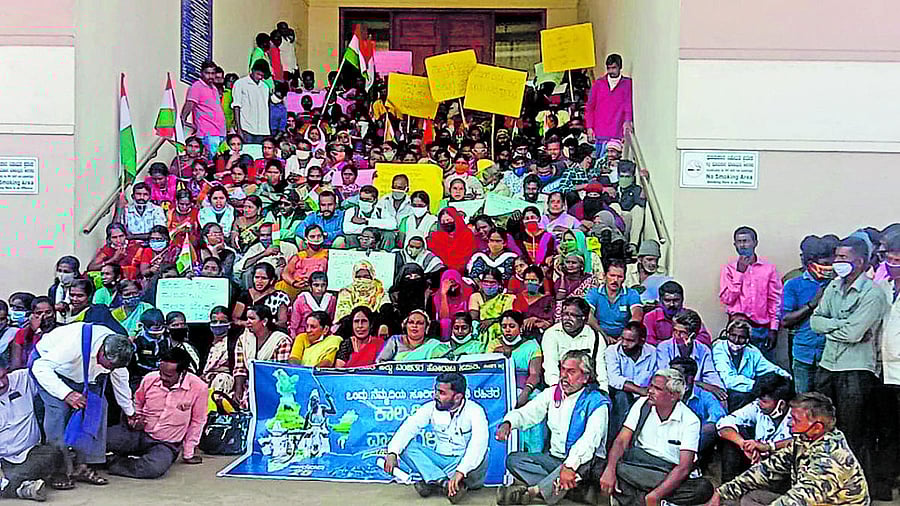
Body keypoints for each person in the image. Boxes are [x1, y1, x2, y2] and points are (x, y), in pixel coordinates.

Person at [810, 235, 888, 487]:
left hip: (856, 370)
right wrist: (842, 325)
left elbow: (855, 333)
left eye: (843, 258)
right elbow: (815, 321)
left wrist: (833, 327)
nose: (837, 262)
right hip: (828, 365)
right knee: (825, 428)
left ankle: (857, 488)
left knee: (853, 433)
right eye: (837, 257)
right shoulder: (833, 286)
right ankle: (828, 482)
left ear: (861, 261)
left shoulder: (873, 293)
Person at [709, 393, 869, 506]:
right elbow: (766, 469)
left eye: (796, 419)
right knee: (754, 498)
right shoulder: (804, 440)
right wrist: (722, 492)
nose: (789, 423)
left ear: (817, 427)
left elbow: (799, 499)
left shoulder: (832, 458)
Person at [496, 350, 609, 506]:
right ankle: (573, 491)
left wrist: (569, 466)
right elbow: (528, 413)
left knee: (581, 464)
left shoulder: (597, 402)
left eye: (571, 371)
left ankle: (534, 492)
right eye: (562, 369)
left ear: (585, 377)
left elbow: (589, 441)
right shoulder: (552, 393)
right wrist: (508, 423)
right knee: (514, 460)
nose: (564, 375)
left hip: (584, 463)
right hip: (555, 459)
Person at [31, 323, 135, 485]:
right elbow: (41, 368)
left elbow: (120, 381)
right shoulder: (74, 343)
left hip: (84, 376)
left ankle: (82, 466)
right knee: (58, 412)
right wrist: (67, 394)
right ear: (101, 351)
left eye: (114, 367)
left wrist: (130, 412)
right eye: (108, 365)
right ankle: (58, 470)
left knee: (98, 408)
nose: (110, 369)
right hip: (51, 371)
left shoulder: (117, 352)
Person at [599, 369, 714, 506]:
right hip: (637, 466)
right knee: (602, 467)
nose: (650, 391)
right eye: (651, 386)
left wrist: (656, 495)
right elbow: (621, 440)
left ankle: (637, 498)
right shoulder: (642, 404)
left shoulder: (690, 420)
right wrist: (610, 470)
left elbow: (683, 467)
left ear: (673, 395)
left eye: (657, 388)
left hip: (666, 472)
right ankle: (655, 501)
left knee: (703, 488)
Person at [383, 372, 488, 504]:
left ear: (457, 397)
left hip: (462, 464)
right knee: (406, 447)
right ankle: (443, 483)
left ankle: (434, 484)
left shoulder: (475, 411)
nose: (436, 396)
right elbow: (409, 427)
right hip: (439, 462)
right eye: (436, 391)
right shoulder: (430, 408)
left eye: (442, 393)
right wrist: (392, 452)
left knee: (483, 453)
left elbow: (478, 445)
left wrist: (460, 471)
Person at [106, 347, 207, 478]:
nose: (163, 378)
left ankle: (114, 462)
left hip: (165, 443)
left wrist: (188, 453)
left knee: (154, 468)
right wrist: (135, 419)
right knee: (101, 439)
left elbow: (197, 422)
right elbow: (137, 402)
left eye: (169, 376)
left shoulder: (199, 388)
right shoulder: (150, 379)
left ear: (182, 372)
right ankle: (114, 457)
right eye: (161, 373)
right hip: (138, 433)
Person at [0, 358, 69, 501]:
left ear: (6, 370)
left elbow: (49, 375)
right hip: (3, 461)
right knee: (11, 475)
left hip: (31, 454)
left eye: (2, 377)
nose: (1, 384)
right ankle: (23, 489)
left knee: (54, 453)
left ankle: (11, 486)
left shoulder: (22, 378)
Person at [716, 373, 794, 484]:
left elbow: (801, 441)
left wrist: (768, 447)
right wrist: (745, 445)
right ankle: (728, 484)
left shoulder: (798, 415)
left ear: (781, 404)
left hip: (781, 469)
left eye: (765, 401)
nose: (760, 404)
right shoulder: (757, 406)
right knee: (732, 438)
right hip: (756, 461)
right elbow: (723, 423)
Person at [780, 236, 835, 393]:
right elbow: (785, 320)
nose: (829, 268)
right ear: (811, 264)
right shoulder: (793, 284)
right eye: (824, 264)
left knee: (826, 402)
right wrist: (813, 303)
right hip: (803, 353)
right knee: (803, 400)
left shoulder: (837, 284)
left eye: (831, 264)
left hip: (829, 355)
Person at [719, 227, 783, 355]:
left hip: (762, 329)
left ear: (755, 243)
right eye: (739, 241)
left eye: (746, 241)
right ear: (735, 245)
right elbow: (727, 299)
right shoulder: (729, 269)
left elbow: (775, 300)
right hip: (737, 329)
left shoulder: (768, 269)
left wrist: (774, 329)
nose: (742, 245)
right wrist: (739, 273)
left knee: (763, 369)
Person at [711, 319, 791, 411]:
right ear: (727, 334)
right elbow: (728, 380)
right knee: (744, 397)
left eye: (741, 337)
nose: (736, 340)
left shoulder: (752, 351)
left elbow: (769, 367)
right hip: (725, 391)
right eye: (733, 336)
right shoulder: (719, 348)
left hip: (746, 389)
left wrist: (786, 377)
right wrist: (759, 386)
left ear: (748, 339)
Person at [655, 309, 725, 401]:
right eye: (675, 331)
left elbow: (711, 375)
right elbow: (668, 377)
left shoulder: (703, 350)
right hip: (670, 394)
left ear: (694, 335)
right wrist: (702, 384)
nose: (676, 335)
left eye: (682, 333)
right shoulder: (664, 347)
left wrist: (720, 391)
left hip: (696, 393)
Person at [541, 297, 608, 391]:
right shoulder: (551, 334)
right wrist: (558, 390)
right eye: (564, 314)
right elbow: (550, 366)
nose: (567, 319)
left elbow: (601, 369)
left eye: (573, 315)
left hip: (587, 388)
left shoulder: (596, 337)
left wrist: (603, 392)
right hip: (559, 386)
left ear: (584, 318)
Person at [233, 304, 293, 407]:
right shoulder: (243, 339)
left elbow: (280, 372)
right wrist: (238, 391)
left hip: (272, 386)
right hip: (249, 384)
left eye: (252, 319)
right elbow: (240, 368)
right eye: (247, 318)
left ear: (264, 321)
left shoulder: (281, 341)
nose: (247, 322)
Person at [606, 321, 657, 438]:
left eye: (630, 341)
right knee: (621, 397)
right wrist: (640, 390)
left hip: (645, 394)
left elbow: (658, 374)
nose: (624, 343)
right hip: (620, 393)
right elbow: (614, 379)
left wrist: (646, 392)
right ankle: (619, 441)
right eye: (622, 338)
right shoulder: (612, 351)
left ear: (642, 341)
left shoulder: (652, 352)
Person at [670, 357, 725, 456]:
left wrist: (693, 434)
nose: (671, 378)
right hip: (670, 437)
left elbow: (718, 417)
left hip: (695, 441)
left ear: (690, 378)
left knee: (711, 428)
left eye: (677, 375)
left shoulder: (705, 396)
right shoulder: (666, 393)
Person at [585, 258, 643, 340]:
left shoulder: (631, 294)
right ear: (604, 276)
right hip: (598, 335)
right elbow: (589, 315)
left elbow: (637, 315)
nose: (615, 280)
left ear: (624, 278)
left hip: (625, 338)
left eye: (619, 277)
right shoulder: (594, 293)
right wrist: (604, 336)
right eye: (612, 275)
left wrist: (624, 337)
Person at [643, 281, 712, 346]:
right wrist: (676, 344)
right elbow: (649, 343)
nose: (672, 304)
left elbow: (705, 340)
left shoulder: (690, 316)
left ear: (682, 299)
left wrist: (684, 343)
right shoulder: (650, 317)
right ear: (660, 301)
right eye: (667, 300)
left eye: (676, 300)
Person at [585, 53, 634, 146]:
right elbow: (590, 106)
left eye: (614, 68)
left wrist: (628, 121)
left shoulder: (627, 84)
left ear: (620, 67)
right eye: (609, 68)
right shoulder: (598, 84)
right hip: (599, 132)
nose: (611, 71)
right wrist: (589, 127)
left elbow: (628, 105)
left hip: (617, 133)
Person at [183, 60, 226, 157]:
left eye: (213, 73)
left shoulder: (214, 88)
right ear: (201, 73)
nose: (210, 76)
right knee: (211, 163)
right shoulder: (197, 86)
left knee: (219, 162)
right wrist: (182, 119)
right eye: (207, 73)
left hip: (220, 132)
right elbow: (190, 103)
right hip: (207, 133)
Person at [469, 268, 516, 352]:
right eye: (486, 281)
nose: (488, 285)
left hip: (500, 331)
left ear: (499, 283)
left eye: (492, 282)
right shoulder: (475, 297)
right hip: (481, 330)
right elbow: (474, 318)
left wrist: (491, 321)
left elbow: (507, 316)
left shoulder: (507, 298)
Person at [278, 224, 329, 300]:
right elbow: (286, 273)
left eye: (319, 236)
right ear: (306, 238)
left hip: (315, 289)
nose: (316, 239)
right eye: (312, 236)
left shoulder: (328, 254)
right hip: (291, 288)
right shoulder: (299, 256)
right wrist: (294, 283)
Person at [233, 263, 290, 329]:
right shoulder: (245, 295)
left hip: (269, 333)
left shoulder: (280, 297)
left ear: (272, 280)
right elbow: (235, 318)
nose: (259, 281)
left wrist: (262, 325)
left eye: (264, 278)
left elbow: (282, 322)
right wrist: (245, 323)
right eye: (257, 277)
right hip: (245, 332)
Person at [377, 310, 445, 361]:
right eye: (411, 322)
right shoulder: (395, 340)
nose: (414, 326)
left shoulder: (433, 344)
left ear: (426, 328)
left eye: (419, 323)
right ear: (405, 326)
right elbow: (380, 362)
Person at [10, 296, 58, 369]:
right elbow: (16, 366)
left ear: (54, 313)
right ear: (32, 315)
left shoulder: (61, 331)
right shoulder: (22, 334)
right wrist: (34, 331)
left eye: (48, 312)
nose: (44, 316)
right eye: (39, 313)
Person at [232, 59, 271, 144]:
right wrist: (239, 129)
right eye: (258, 74)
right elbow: (236, 106)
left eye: (262, 75)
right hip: (246, 129)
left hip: (262, 130)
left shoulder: (265, 87)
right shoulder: (240, 83)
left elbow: (265, 109)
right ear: (252, 70)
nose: (260, 77)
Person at [429, 207, 478, 273]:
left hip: (466, 271)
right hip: (443, 273)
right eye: (443, 221)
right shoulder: (435, 238)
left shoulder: (467, 234)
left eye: (448, 220)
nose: (446, 223)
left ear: (455, 219)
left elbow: (470, 254)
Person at [512, 265, 556, 338]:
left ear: (541, 282)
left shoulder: (548, 300)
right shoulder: (517, 298)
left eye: (533, 280)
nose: (529, 283)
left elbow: (550, 322)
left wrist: (536, 320)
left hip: (543, 336)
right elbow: (513, 319)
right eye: (527, 280)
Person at [289, 270, 335, 338]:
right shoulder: (300, 301)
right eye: (316, 285)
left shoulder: (331, 300)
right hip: (304, 336)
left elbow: (331, 320)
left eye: (323, 285)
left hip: (324, 336)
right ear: (310, 286)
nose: (319, 288)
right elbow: (293, 326)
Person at [201, 306, 234, 397]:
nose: (218, 325)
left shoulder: (233, 344)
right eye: (214, 322)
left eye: (222, 322)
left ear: (229, 324)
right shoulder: (204, 343)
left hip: (224, 383)